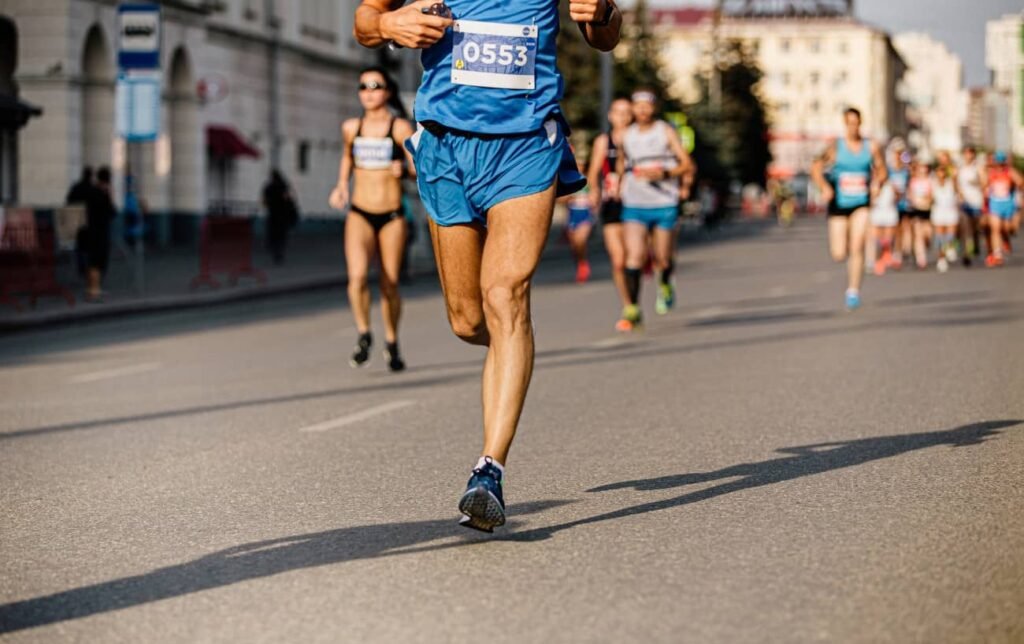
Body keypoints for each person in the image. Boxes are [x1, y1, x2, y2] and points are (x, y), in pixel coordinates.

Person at [355, 0, 621, 532]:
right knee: (469, 321)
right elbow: (364, 20)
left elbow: (605, 37)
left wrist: (604, 12)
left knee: (506, 294)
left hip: (526, 145)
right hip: (446, 147)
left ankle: (489, 470)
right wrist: (387, 25)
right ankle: (512, 347)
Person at [329, 66, 416, 372]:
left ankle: (392, 340)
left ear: (387, 91)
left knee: (389, 283)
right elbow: (346, 157)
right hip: (360, 212)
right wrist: (341, 186)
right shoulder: (351, 127)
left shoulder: (400, 127)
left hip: (392, 213)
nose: (368, 92)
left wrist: (404, 171)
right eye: (363, 87)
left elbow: (418, 167)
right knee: (356, 279)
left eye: (376, 86)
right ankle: (364, 333)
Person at [616, 89, 694, 329]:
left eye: (646, 105)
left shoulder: (665, 131)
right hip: (635, 202)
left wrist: (666, 174)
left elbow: (686, 163)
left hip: (664, 201)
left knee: (662, 257)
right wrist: (617, 184)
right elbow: (622, 162)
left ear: (653, 108)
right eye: (637, 105)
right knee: (634, 257)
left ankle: (665, 281)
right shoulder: (626, 135)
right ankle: (632, 308)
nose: (642, 110)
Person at [811, 107, 886, 310]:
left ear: (860, 123)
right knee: (839, 252)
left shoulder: (870, 146)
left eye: (856, 123)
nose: (853, 127)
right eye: (849, 123)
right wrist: (824, 187)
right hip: (839, 202)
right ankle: (850, 278)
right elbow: (816, 166)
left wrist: (877, 184)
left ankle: (853, 291)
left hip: (861, 202)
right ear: (845, 124)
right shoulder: (836, 146)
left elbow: (881, 170)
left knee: (857, 246)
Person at [586, 97, 632, 314]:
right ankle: (628, 305)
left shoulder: (639, 138)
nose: (622, 117)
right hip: (612, 203)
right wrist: (594, 190)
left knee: (635, 257)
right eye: (618, 112)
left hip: (637, 202)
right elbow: (593, 172)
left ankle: (637, 293)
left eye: (626, 112)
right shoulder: (603, 142)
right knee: (618, 259)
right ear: (610, 115)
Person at [983, 151, 1023, 267]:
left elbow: (1020, 182)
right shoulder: (990, 173)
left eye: (1001, 163)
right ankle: (997, 255)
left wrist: (1015, 187)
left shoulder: (1009, 171)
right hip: (994, 204)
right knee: (995, 228)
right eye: (997, 163)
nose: (999, 165)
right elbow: (984, 185)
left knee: (1006, 228)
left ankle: (1006, 240)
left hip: (1008, 204)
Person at [83, 167, 116, 302]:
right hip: (101, 232)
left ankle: (91, 289)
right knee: (98, 261)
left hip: (90, 230)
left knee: (92, 261)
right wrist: (110, 196)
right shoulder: (103, 194)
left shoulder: (91, 191)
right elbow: (112, 212)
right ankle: (94, 291)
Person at [564, 157, 595, 283]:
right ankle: (581, 263)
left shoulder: (589, 179)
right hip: (573, 214)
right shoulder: (569, 180)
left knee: (581, 240)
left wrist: (593, 199)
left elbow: (595, 196)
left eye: (582, 165)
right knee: (575, 245)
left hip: (585, 214)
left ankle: (583, 263)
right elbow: (560, 199)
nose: (580, 167)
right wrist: (568, 197)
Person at [957, 145, 986, 266]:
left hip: (976, 201)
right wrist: (959, 194)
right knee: (965, 228)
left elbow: (985, 182)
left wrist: (976, 182)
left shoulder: (978, 168)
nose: (968, 155)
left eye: (970, 153)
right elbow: (955, 183)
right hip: (964, 202)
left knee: (975, 228)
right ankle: (966, 253)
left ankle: (975, 246)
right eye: (966, 153)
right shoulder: (960, 168)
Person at [263, 170, 299, 265]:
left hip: (273, 215)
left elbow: (265, 201)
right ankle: (279, 254)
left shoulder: (269, 187)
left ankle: (275, 252)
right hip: (283, 216)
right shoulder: (284, 187)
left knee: (274, 235)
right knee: (281, 236)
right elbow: (290, 200)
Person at [869, 163, 899, 276]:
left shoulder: (890, 184)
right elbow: (870, 200)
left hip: (889, 213)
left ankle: (887, 256)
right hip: (877, 213)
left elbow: (897, 198)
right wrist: (875, 192)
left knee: (888, 238)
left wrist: (897, 194)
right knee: (877, 239)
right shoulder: (873, 184)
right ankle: (878, 261)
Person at [930, 163, 960, 273]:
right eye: (939, 171)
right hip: (938, 212)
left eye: (943, 171)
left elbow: (957, 191)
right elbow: (930, 197)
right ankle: (941, 259)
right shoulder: (933, 183)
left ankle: (951, 248)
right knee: (940, 237)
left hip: (950, 211)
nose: (941, 173)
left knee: (950, 235)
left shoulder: (951, 182)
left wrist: (955, 177)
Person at [906, 160, 934, 269]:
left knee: (927, 234)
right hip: (916, 210)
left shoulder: (930, 180)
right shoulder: (913, 181)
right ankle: (920, 258)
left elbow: (931, 195)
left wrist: (927, 199)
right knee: (918, 235)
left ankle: (925, 247)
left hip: (927, 210)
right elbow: (910, 195)